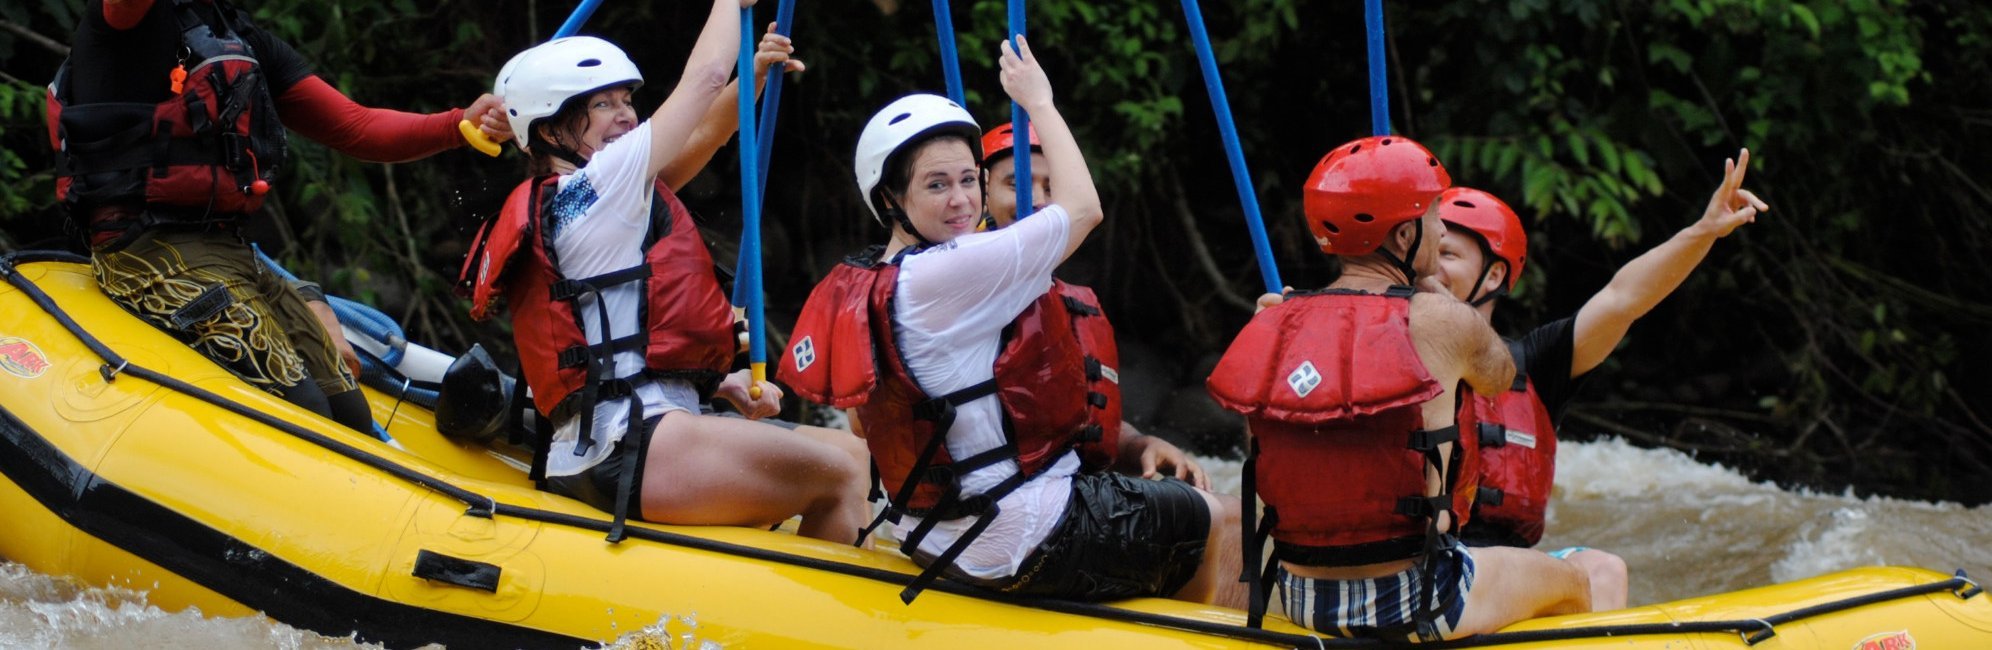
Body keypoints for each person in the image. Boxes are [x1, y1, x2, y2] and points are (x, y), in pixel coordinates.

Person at [778, 37, 1244, 607]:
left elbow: (863, 426)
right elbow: (1083, 210)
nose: (961, 202)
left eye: (967, 180)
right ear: (891, 199)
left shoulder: (877, 275)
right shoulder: (956, 269)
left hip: (932, 533)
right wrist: (1040, 102)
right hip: (1017, 540)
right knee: (1201, 513)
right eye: (936, 185)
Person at [463, 1, 869, 545]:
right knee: (839, 475)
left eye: (627, 100)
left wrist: (750, 77)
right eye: (602, 104)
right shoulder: (603, 182)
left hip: (621, 435)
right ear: (551, 126)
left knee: (849, 449)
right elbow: (701, 80)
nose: (626, 115)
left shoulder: (580, 197)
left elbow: (698, 139)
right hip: (630, 445)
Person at [48, 0, 514, 434]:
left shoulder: (241, 35)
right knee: (304, 409)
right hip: (140, 250)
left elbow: (358, 127)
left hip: (229, 252)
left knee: (350, 411)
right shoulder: (124, 21)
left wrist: (459, 124)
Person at [1208, 135, 1595, 641]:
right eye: (1435, 216)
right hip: (1419, 600)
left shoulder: (1270, 322)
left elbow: (1264, 454)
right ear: (1406, 234)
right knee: (1573, 580)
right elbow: (1498, 376)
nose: (1440, 229)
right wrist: (1439, 298)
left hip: (1300, 596)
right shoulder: (1443, 320)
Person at [1436, 150, 1767, 611]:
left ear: (1493, 275)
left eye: (1447, 255)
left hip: (1509, 570)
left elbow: (1623, 298)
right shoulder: (1391, 351)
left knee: (1606, 570)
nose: (1431, 269)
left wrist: (1703, 231)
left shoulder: (1537, 362)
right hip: (1429, 568)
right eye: (1424, 255)